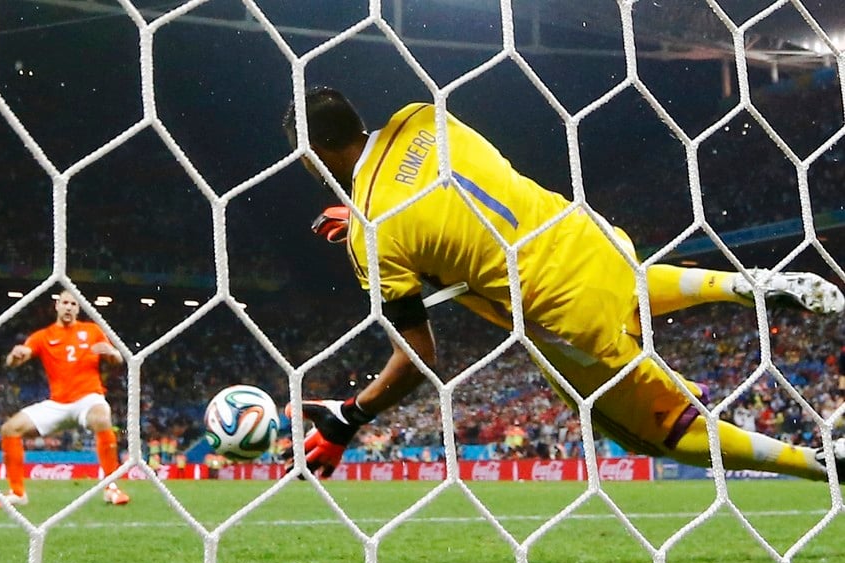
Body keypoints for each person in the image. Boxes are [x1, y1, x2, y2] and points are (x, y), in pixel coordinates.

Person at [282, 86, 845, 482]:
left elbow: (419, 358)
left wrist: (349, 415)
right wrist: (360, 211)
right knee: (630, 286)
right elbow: (428, 193)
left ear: (313, 153)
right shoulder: (420, 116)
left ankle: (821, 464)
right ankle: (743, 283)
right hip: (586, 235)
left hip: (557, 311)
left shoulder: (373, 238)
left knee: (659, 435)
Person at [0, 290, 130, 507]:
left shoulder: (92, 330)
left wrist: (112, 354)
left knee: (102, 419)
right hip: (57, 404)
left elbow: (118, 359)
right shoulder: (43, 336)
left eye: (73, 304)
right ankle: (17, 493)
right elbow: (16, 359)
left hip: (88, 399)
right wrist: (13, 356)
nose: (68, 307)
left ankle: (111, 488)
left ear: (78, 308)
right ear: (57, 306)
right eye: (64, 302)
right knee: (10, 428)